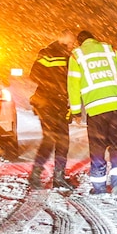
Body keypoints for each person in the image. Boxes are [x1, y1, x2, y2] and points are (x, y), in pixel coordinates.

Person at [67, 30, 117, 195]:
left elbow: (73, 86)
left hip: (96, 108)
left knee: (97, 147)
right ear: (94, 39)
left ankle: (99, 187)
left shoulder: (77, 56)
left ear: (80, 42)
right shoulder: (109, 50)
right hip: (116, 104)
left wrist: (76, 111)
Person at [27, 30, 76, 190]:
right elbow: (34, 75)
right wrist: (55, 87)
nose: (71, 46)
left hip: (55, 103)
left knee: (58, 140)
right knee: (54, 140)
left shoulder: (59, 55)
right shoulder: (50, 53)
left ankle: (52, 176)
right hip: (49, 103)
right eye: (70, 42)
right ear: (62, 39)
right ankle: (48, 176)